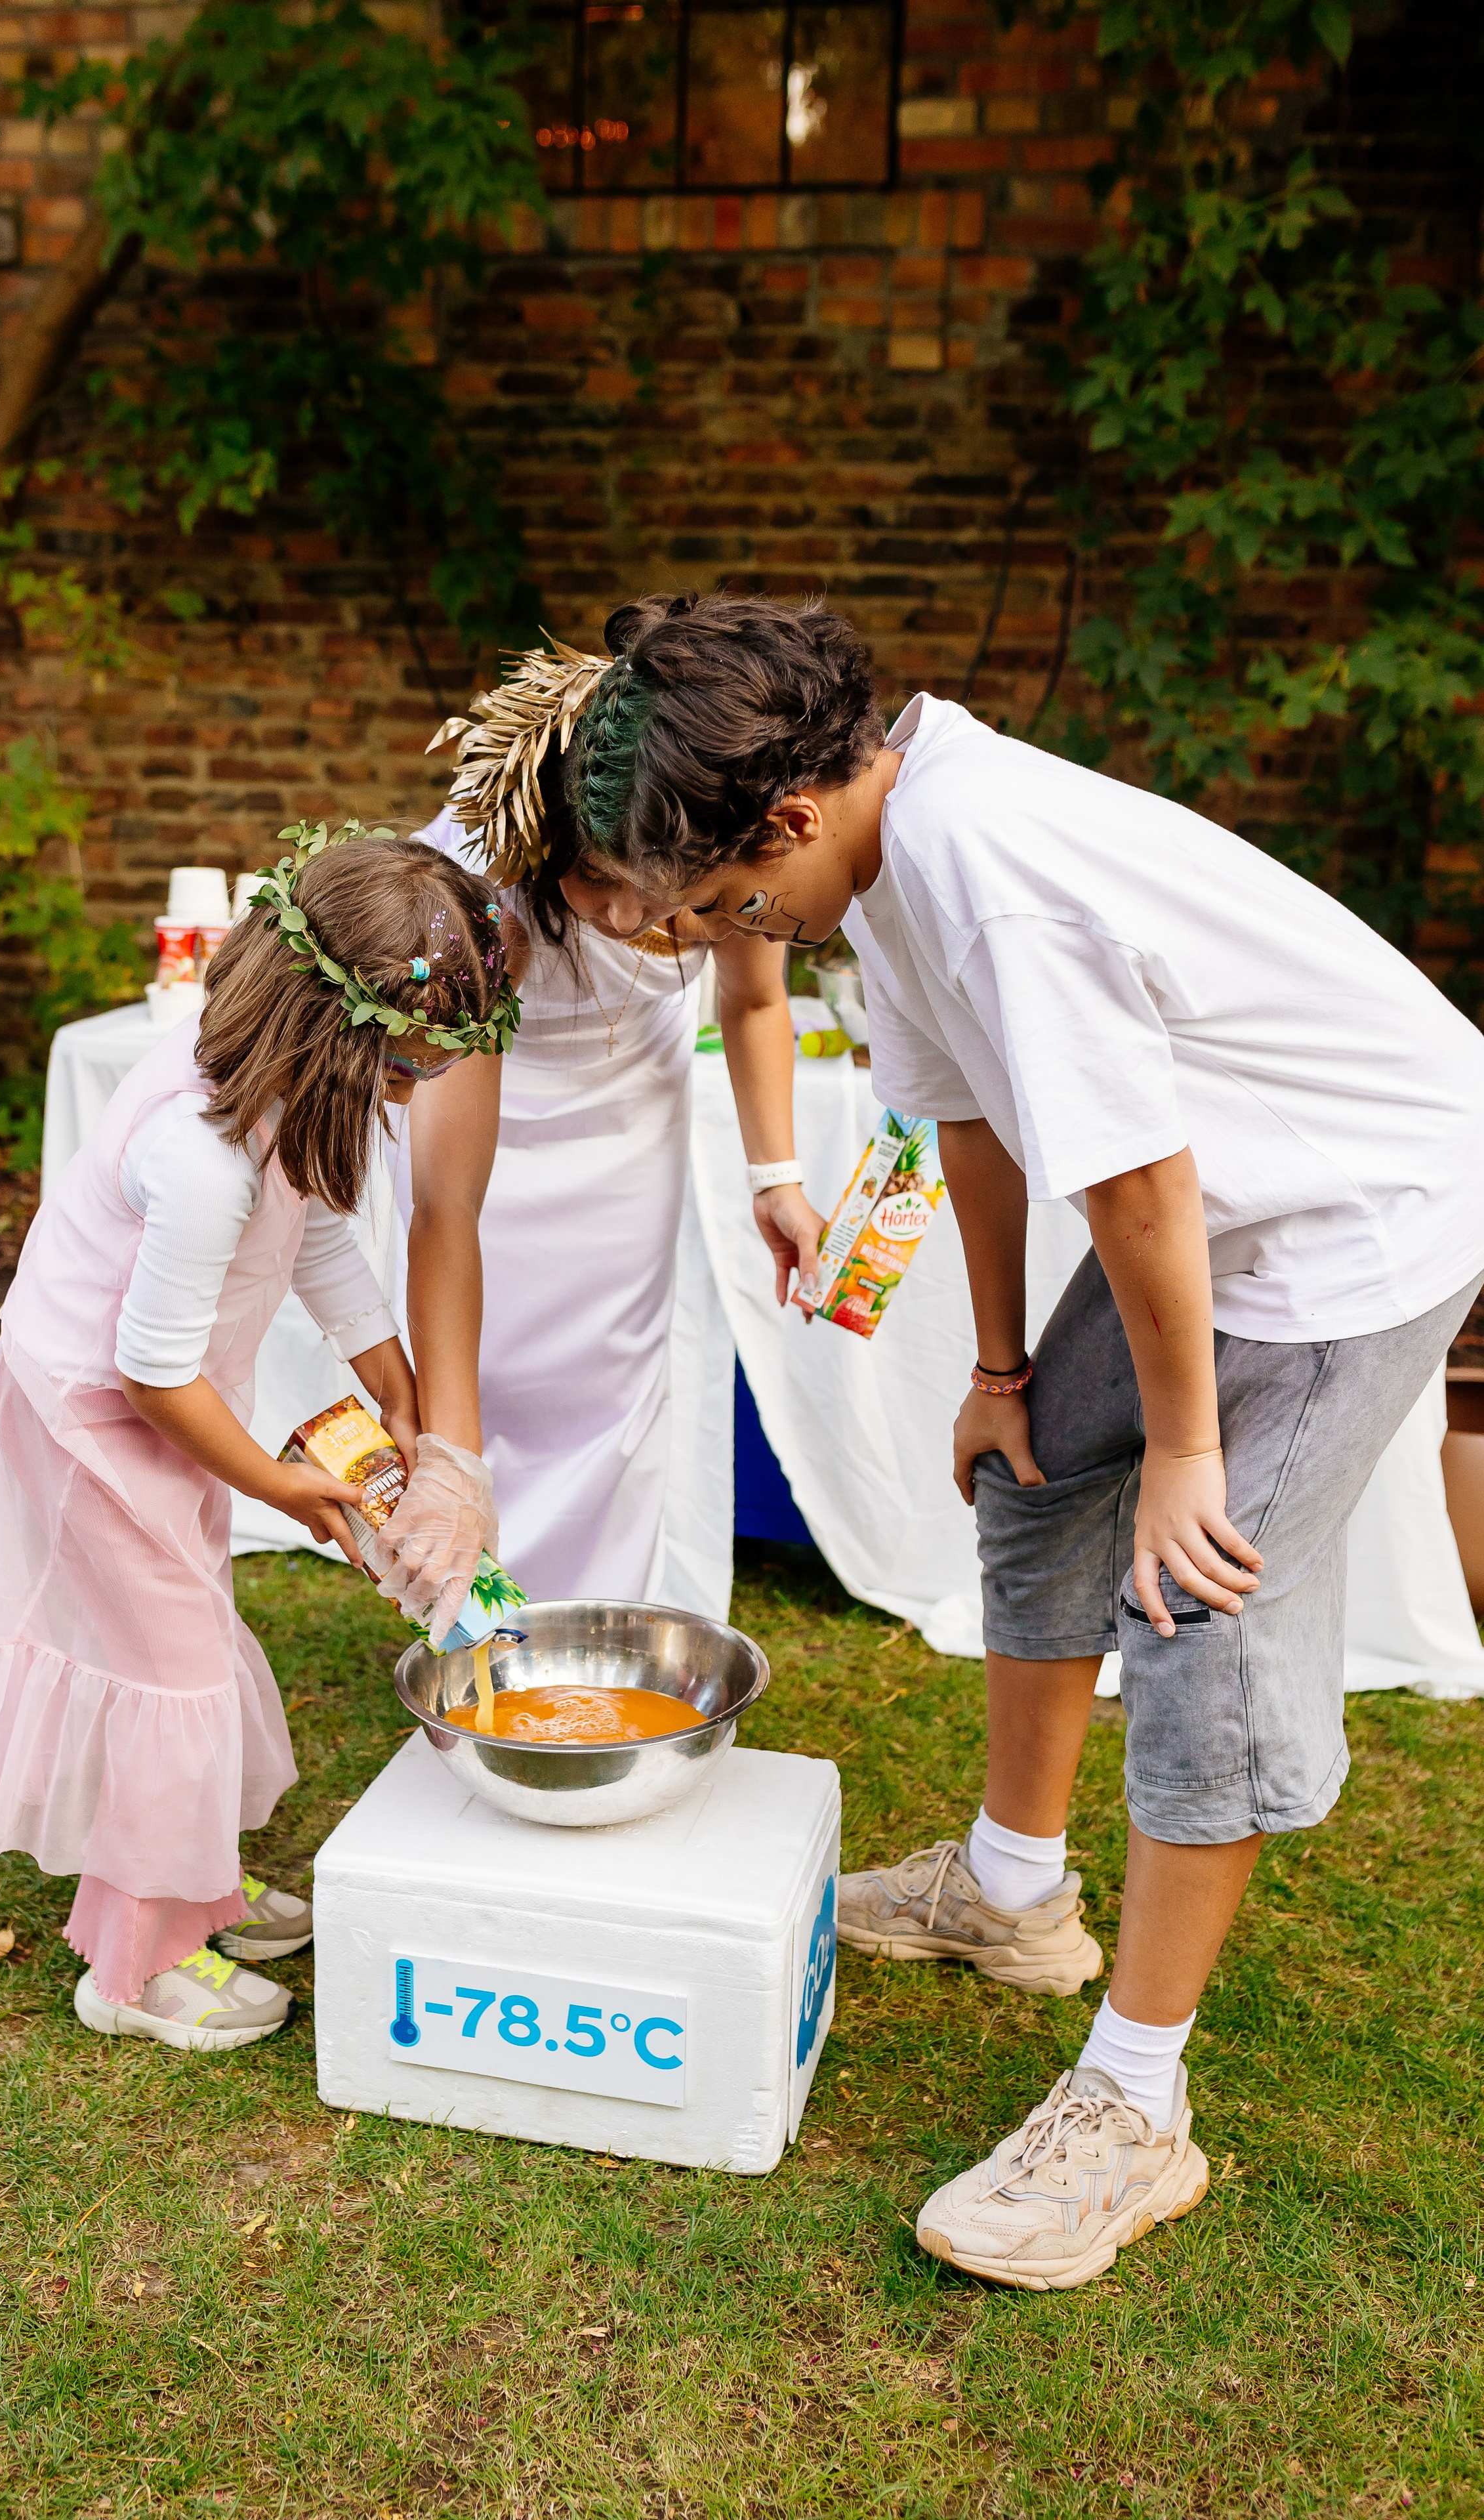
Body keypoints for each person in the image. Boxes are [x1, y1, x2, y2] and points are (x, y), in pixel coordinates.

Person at [560, 590, 1484, 2289]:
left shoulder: (990, 876)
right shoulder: (887, 854)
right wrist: (998, 1370)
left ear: (790, 818)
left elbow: (1138, 1184)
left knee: (1200, 1603)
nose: (724, 936)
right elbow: (966, 1123)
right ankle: (1010, 1893)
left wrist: (1189, 1457)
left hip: (1355, 1217)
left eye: (724, 904)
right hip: (1219, 1210)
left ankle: (1137, 2104)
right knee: (1035, 1477)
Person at [0, 826, 518, 2052]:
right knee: (175, 1676)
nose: (416, 1092)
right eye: (406, 1067)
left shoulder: (280, 1093)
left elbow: (320, 1241)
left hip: (159, 1418)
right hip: (93, 1428)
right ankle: (137, 1970)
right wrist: (282, 1487)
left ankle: (191, 1887)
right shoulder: (201, 1155)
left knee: (184, 1642)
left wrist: (399, 1393)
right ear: (335, 1031)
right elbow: (151, 1374)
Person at [394, 638, 819, 1603]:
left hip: (630, 1143)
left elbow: (755, 1003)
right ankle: (477, 1629)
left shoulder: (709, 842)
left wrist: (777, 1180)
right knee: (481, 1381)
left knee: (611, 1399)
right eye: (592, 877)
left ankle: (591, 1629)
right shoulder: (485, 896)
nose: (626, 916)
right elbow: (446, 1207)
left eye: (650, 887)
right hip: (479, 1135)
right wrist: (453, 1458)